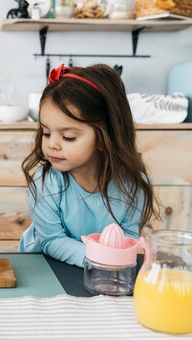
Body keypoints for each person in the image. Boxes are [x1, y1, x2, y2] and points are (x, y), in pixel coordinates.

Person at [19, 63, 157, 266]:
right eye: (46, 133)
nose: (52, 145)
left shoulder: (132, 184)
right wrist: (101, 260)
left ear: (105, 137)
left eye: (68, 137)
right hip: (46, 267)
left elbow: (127, 236)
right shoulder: (46, 183)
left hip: (101, 270)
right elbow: (52, 240)